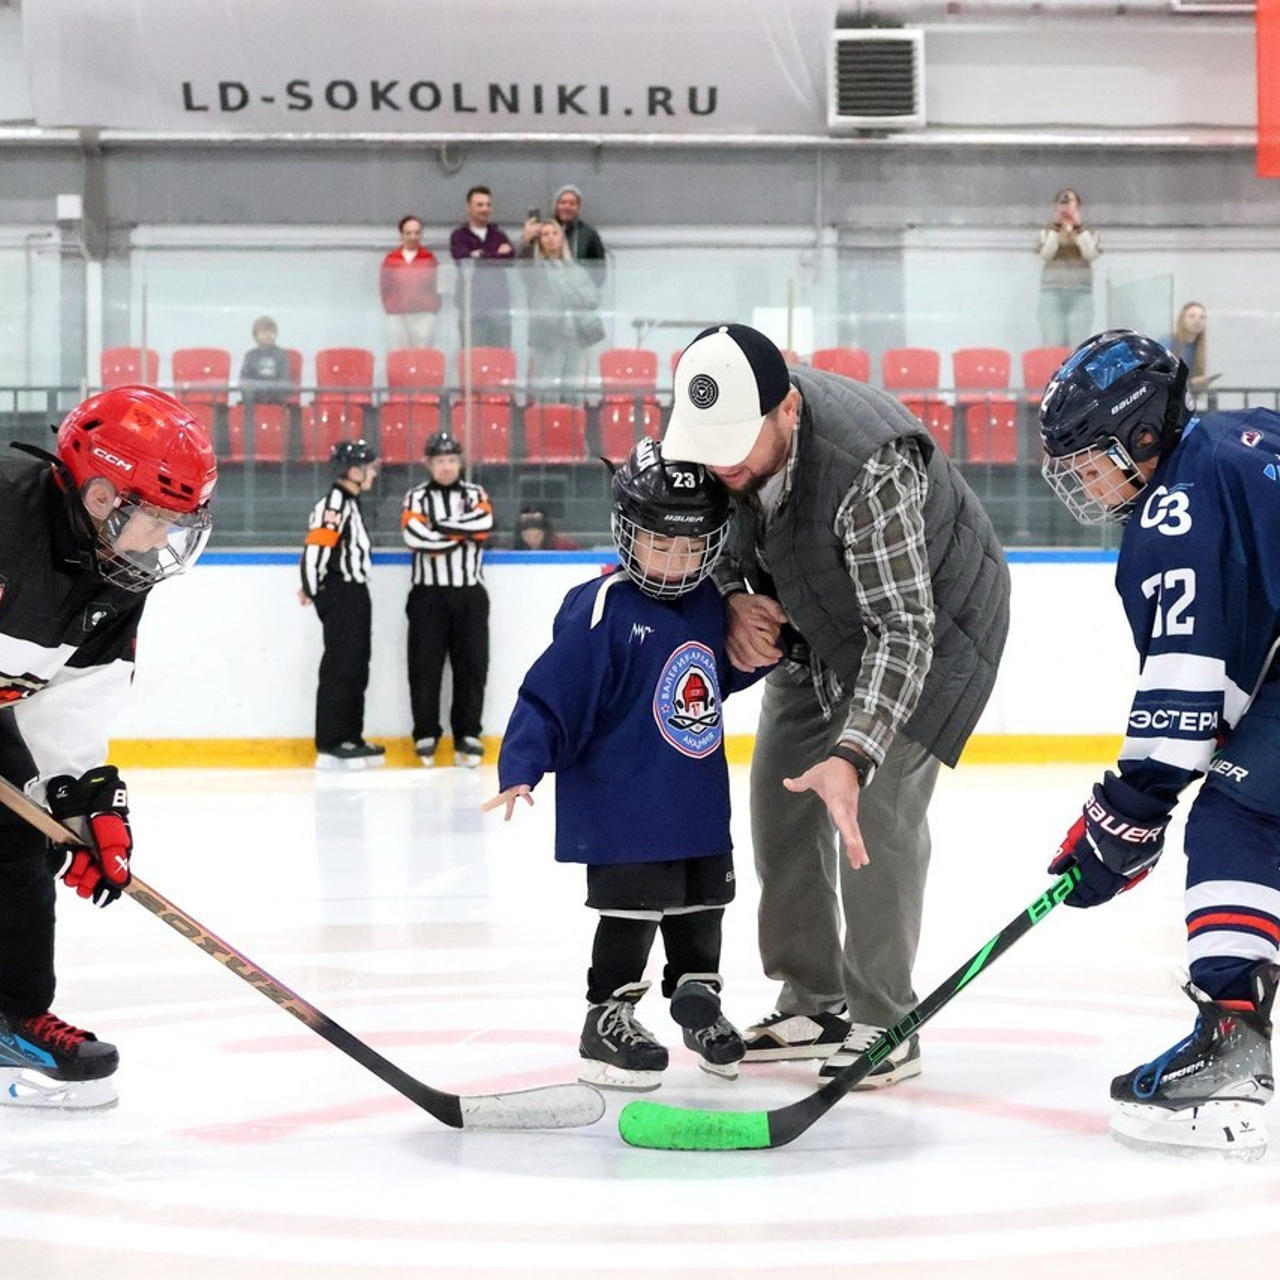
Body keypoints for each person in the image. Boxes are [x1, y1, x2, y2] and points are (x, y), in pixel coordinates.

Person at [661, 323, 1010, 1086]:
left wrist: (854, 755)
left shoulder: (869, 466)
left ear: (786, 410)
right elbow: (681, 531)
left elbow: (901, 628)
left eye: (736, 444)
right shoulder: (708, 437)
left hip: (930, 629)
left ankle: (886, 1020)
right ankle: (812, 1003)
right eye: (706, 442)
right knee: (779, 802)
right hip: (812, 617)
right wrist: (727, 602)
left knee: (871, 816)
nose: (720, 463)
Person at [1038, 328, 1280, 1158]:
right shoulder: (1246, 436)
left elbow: (1187, 695)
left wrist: (1126, 814)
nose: (1083, 478)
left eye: (1090, 458)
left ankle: (1233, 1049)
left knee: (1237, 819)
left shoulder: (1172, 505)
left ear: (1143, 435)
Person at [483, 439, 765, 1088]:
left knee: (704, 907)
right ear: (626, 532)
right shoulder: (601, 608)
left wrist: (772, 647)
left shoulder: (704, 604)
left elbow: (714, 676)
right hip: (625, 803)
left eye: (693, 547)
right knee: (634, 912)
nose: (676, 561)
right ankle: (606, 1017)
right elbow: (553, 693)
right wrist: (522, 763)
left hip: (695, 799)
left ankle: (699, 1002)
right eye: (660, 544)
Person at [0, 386, 217, 1109]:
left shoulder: (118, 574)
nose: (162, 540)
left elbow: (76, 695)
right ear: (99, 495)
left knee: (22, 837)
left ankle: (12, 1020)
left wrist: (83, 800)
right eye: (156, 518)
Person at [402, 432, 493, 769]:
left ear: (460, 462)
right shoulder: (416, 497)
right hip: (428, 595)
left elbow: (483, 524)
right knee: (424, 667)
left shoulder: (476, 494)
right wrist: (459, 536)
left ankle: (468, 734)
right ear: (429, 463)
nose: (446, 466)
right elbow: (415, 537)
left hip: (469, 593)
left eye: (452, 460)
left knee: (472, 665)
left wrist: (438, 529)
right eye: (440, 461)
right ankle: (425, 734)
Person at [298, 439, 385, 771]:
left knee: (355, 665)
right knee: (341, 667)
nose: (374, 473)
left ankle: (350, 737)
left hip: (353, 593)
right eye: (369, 468)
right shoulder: (334, 504)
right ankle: (332, 742)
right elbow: (316, 552)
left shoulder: (349, 502)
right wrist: (315, 589)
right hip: (342, 593)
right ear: (353, 471)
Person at [520, 220, 602, 405]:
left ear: (562, 238)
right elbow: (525, 267)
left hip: (576, 336)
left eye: (554, 233)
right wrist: (526, 242)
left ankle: (574, 432)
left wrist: (573, 297)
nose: (550, 238)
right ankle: (548, 432)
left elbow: (593, 299)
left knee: (574, 392)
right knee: (548, 392)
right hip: (548, 336)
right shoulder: (538, 270)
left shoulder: (576, 269)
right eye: (545, 234)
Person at [448, 186, 516, 349]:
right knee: (473, 358)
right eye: (480, 205)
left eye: (488, 205)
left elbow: (510, 258)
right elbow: (462, 258)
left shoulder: (498, 234)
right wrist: (495, 253)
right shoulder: (459, 235)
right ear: (468, 207)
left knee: (501, 356)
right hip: (471, 308)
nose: (485, 209)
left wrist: (480, 254)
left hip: (499, 307)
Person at [1036, 188, 1102, 348]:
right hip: (1052, 292)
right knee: (1052, 342)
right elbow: (1046, 254)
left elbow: (1091, 254)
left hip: (1081, 293)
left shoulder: (1089, 232)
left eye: (1070, 202)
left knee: (1078, 344)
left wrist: (1078, 228)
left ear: (1078, 207)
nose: (1066, 207)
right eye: (1062, 203)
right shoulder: (1047, 231)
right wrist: (1057, 228)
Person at [521, 183, 608, 285]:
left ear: (578, 207)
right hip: (546, 291)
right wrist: (526, 240)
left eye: (572, 203)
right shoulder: (543, 229)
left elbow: (599, 271)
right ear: (556, 205)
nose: (567, 207)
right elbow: (525, 267)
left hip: (577, 293)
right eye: (563, 202)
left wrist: (583, 285)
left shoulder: (589, 234)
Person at [380, 215, 441, 350]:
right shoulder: (391, 259)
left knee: (422, 354)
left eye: (417, 233)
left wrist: (431, 308)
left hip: (423, 315)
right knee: (398, 353)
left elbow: (437, 287)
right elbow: (385, 288)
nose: (413, 237)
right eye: (408, 233)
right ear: (401, 235)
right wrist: (392, 308)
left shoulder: (429, 259)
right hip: (398, 316)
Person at [1161, 301, 1218, 399]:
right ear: (1182, 320)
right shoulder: (1168, 342)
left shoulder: (1197, 348)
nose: (1197, 320)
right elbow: (1160, 381)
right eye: (1192, 316)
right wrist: (1191, 383)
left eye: (1202, 317)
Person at [238, 315, 293, 410]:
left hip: (275, 400)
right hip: (254, 399)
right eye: (264, 332)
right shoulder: (250, 355)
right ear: (255, 336)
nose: (268, 335)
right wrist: (249, 398)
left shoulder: (281, 354)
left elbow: (284, 377)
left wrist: (277, 397)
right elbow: (245, 378)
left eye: (272, 332)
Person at [512, 506, 580, 551]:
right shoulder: (513, 552)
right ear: (521, 535)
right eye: (527, 536)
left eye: (537, 536)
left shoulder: (566, 548)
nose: (532, 540)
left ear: (545, 533)